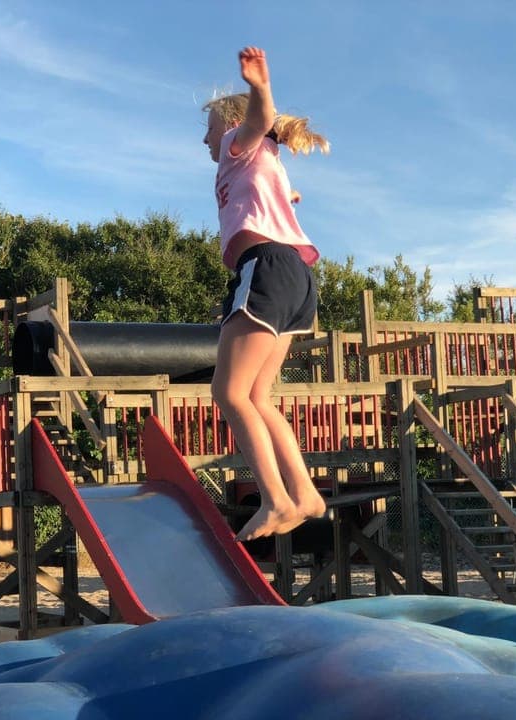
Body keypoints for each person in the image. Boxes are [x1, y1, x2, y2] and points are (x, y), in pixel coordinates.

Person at [203, 47, 330, 542]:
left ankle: (276, 499)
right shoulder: (266, 163)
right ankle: (305, 493)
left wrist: (259, 87)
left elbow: (261, 119)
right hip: (296, 276)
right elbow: (276, 189)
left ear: (229, 125)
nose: (206, 139)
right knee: (259, 394)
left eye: (208, 129)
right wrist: (289, 197)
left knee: (229, 392)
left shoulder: (239, 143)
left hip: (266, 268)